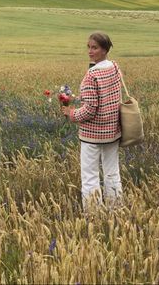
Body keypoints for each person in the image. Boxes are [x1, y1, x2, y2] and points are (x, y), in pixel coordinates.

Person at [62, 32, 123, 210]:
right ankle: (116, 208)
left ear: (105, 49)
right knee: (112, 173)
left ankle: (93, 214)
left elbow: (89, 111)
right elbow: (106, 96)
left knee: (90, 176)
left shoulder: (91, 75)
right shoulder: (114, 67)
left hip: (92, 135)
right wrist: (81, 97)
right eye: (88, 47)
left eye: (94, 47)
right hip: (113, 131)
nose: (90, 51)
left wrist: (71, 113)